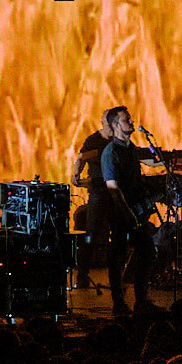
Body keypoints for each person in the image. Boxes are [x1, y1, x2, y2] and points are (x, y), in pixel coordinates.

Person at [97, 107, 156, 314]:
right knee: (118, 256)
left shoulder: (132, 149)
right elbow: (113, 188)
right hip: (120, 214)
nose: (131, 122)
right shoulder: (111, 153)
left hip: (136, 212)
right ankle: (118, 303)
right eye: (126, 120)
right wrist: (128, 214)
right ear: (115, 125)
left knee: (147, 252)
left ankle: (141, 300)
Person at [73, 114, 116, 295]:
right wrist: (76, 175)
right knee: (90, 234)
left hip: (115, 190)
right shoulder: (94, 140)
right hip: (99, 189)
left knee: (119, 233)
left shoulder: (120, 139)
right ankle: (82, 276)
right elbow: (81, 158)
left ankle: (117, 279)